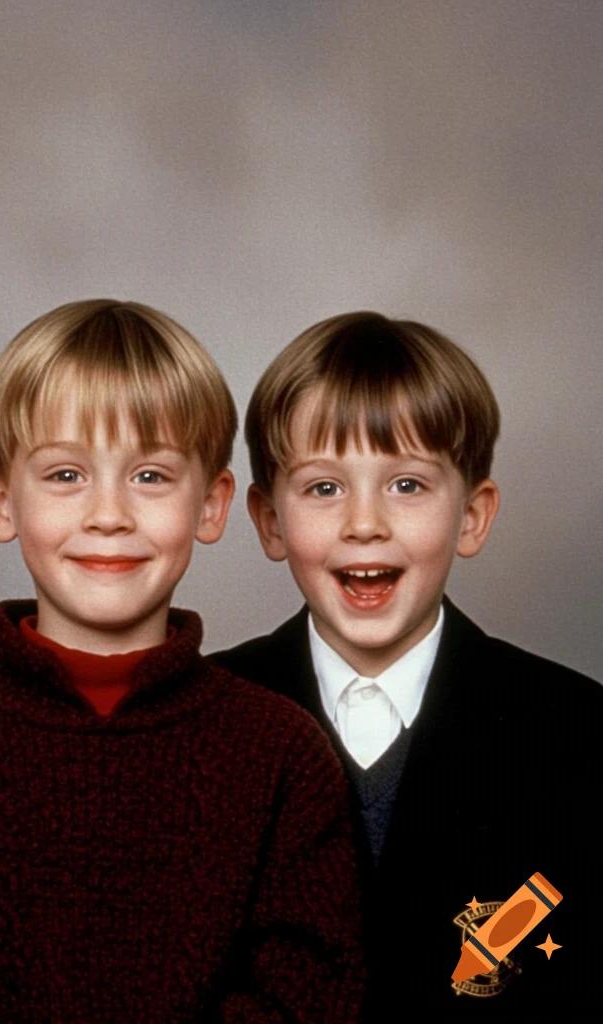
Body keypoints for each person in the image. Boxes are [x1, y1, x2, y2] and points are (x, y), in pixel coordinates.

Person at [0, 299, 364, 1023]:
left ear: (212, 504)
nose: (108, 514)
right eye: (65, 476)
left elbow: (307, 985)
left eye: (149, 477)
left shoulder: (282, 752)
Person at [211, 312, 602, 1022]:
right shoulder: (203, 723)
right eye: (324, 488)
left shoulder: (578, 732)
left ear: (474, 516)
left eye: (408, 486)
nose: (366, 523)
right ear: (269, 521)